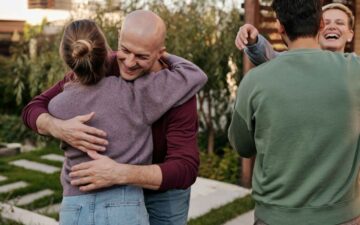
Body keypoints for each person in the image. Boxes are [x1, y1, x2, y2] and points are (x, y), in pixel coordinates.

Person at [22, 10, 205, 225]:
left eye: (142, 56)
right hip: (102, 191)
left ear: (159, 53)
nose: (128, 62)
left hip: (163, 192)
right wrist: (58, 127)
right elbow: (33, 109)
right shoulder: (97, 63)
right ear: (118, 38)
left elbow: (185, 169)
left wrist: (120, 173)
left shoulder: (179, 89)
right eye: (125, 50)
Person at [228, 0, 360, 224]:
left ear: (280, 27)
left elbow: (242, 146)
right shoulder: (355, 72)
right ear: (320, 25)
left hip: (276, 218)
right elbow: (271, 55)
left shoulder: (255, 81)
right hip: (342, 217)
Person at [235, 3, 355, 65]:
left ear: (350, 35)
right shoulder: (299, 60)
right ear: (318, 28)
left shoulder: (355, 67)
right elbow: (269, 56)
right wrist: (253, 41)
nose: (332, 27)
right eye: (327, 22)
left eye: (340, 23)